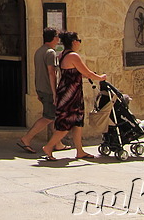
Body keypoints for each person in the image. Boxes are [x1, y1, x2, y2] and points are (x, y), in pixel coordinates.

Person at [42, 31, 107, 160]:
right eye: (79, 40)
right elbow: (87, 73)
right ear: (74, 42)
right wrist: (100, 78)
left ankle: (80, 150)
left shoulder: (62, 55)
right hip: (70, 95)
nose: (79, 43)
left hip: (70, 93)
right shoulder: (73, 56)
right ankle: (49, 146)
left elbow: (74, 73)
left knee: (77, 122)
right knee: (67, 123)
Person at [17, 27, 68, 154]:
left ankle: (58, 143)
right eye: (57, 36)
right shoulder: (50, 53)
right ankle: (26, 138)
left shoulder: (39, 51)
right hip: (48, 89)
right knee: (48, 117)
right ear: (53, 38)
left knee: (53, 116)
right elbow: (51, 73)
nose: (58, 39)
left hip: (41, 88)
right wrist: (55, 92)